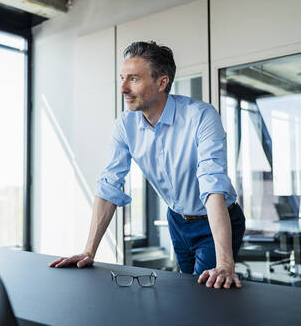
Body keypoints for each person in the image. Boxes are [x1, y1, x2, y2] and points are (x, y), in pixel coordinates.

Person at [49, 41, 246, 289]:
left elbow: (213, 183)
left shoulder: (201, 116)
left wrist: (225, 264)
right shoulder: (125, 125)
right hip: (177, 221)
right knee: (190, 294)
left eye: (133, 79)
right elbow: (109, 185)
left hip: (216, 219)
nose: (123, 88)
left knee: (209, 293)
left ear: (162, 82)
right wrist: (89, 251)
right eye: (122, 78)